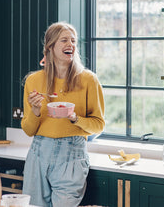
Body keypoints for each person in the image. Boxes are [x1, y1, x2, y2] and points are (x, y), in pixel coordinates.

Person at [21, 22, 105, 207]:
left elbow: (99, 124)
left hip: (72, 153)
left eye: (73, 41)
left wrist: (74, 118)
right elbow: (28, 130)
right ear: (50, 46)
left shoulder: (88, 80)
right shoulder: (34, 80)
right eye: (64, 40)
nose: (71, 45)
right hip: (38, 152)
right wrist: (35, 111)